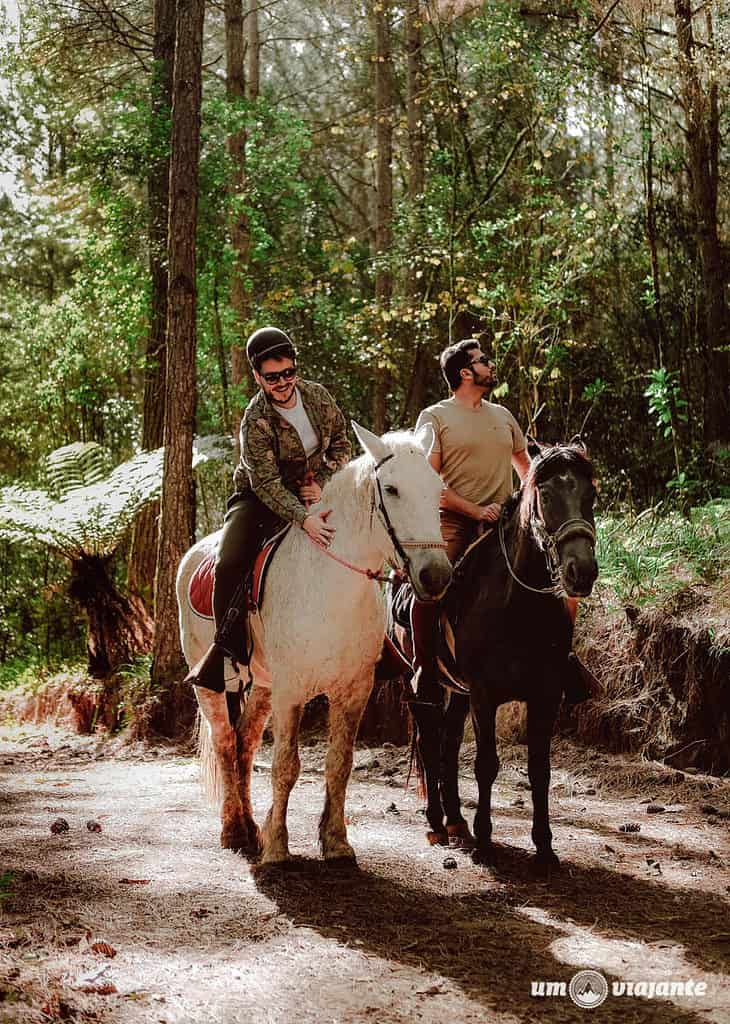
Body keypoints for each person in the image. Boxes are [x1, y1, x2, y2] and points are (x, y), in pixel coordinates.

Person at [186, 326, 352, 691]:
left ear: (295, 367)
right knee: (229, 561)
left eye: (288, 373)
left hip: (312, 492)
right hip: (260, 500)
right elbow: (266, 483)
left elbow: (342, 443)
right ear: (258, 377)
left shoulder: (318, 397)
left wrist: (320, 481)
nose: (282, 382)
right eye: (272, 377)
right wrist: (303, 518)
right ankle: (227, 654)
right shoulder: (254, 419)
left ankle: (374, 640)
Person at [409, 337, 529, 693]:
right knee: (433, 581)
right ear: (465, 372)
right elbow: (428, 483)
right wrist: (477, 510)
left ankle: (563, 659)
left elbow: (527, 470)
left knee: (551, 577)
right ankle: (424, 667)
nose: (491, 365)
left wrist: (529, 506)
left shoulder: (503, 415)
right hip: (455, 522)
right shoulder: (433, 417)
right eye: (484, 360)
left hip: (507, 524)